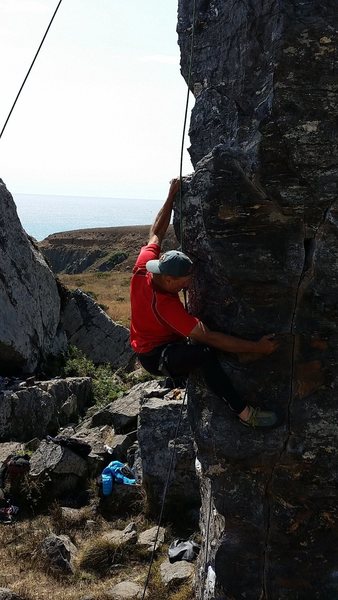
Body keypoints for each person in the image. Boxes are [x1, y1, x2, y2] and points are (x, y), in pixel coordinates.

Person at [130, 179, 280, 428]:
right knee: (204, 355)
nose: (189, 284)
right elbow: (209, 337)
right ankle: (245, 414)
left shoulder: (143, 266)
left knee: (201, 344)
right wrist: (256, 348)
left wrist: (171, 196)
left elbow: (156, 232)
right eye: (185, 281)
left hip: (157, 340)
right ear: (168, 279)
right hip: (155, 356)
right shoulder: (166, 307)